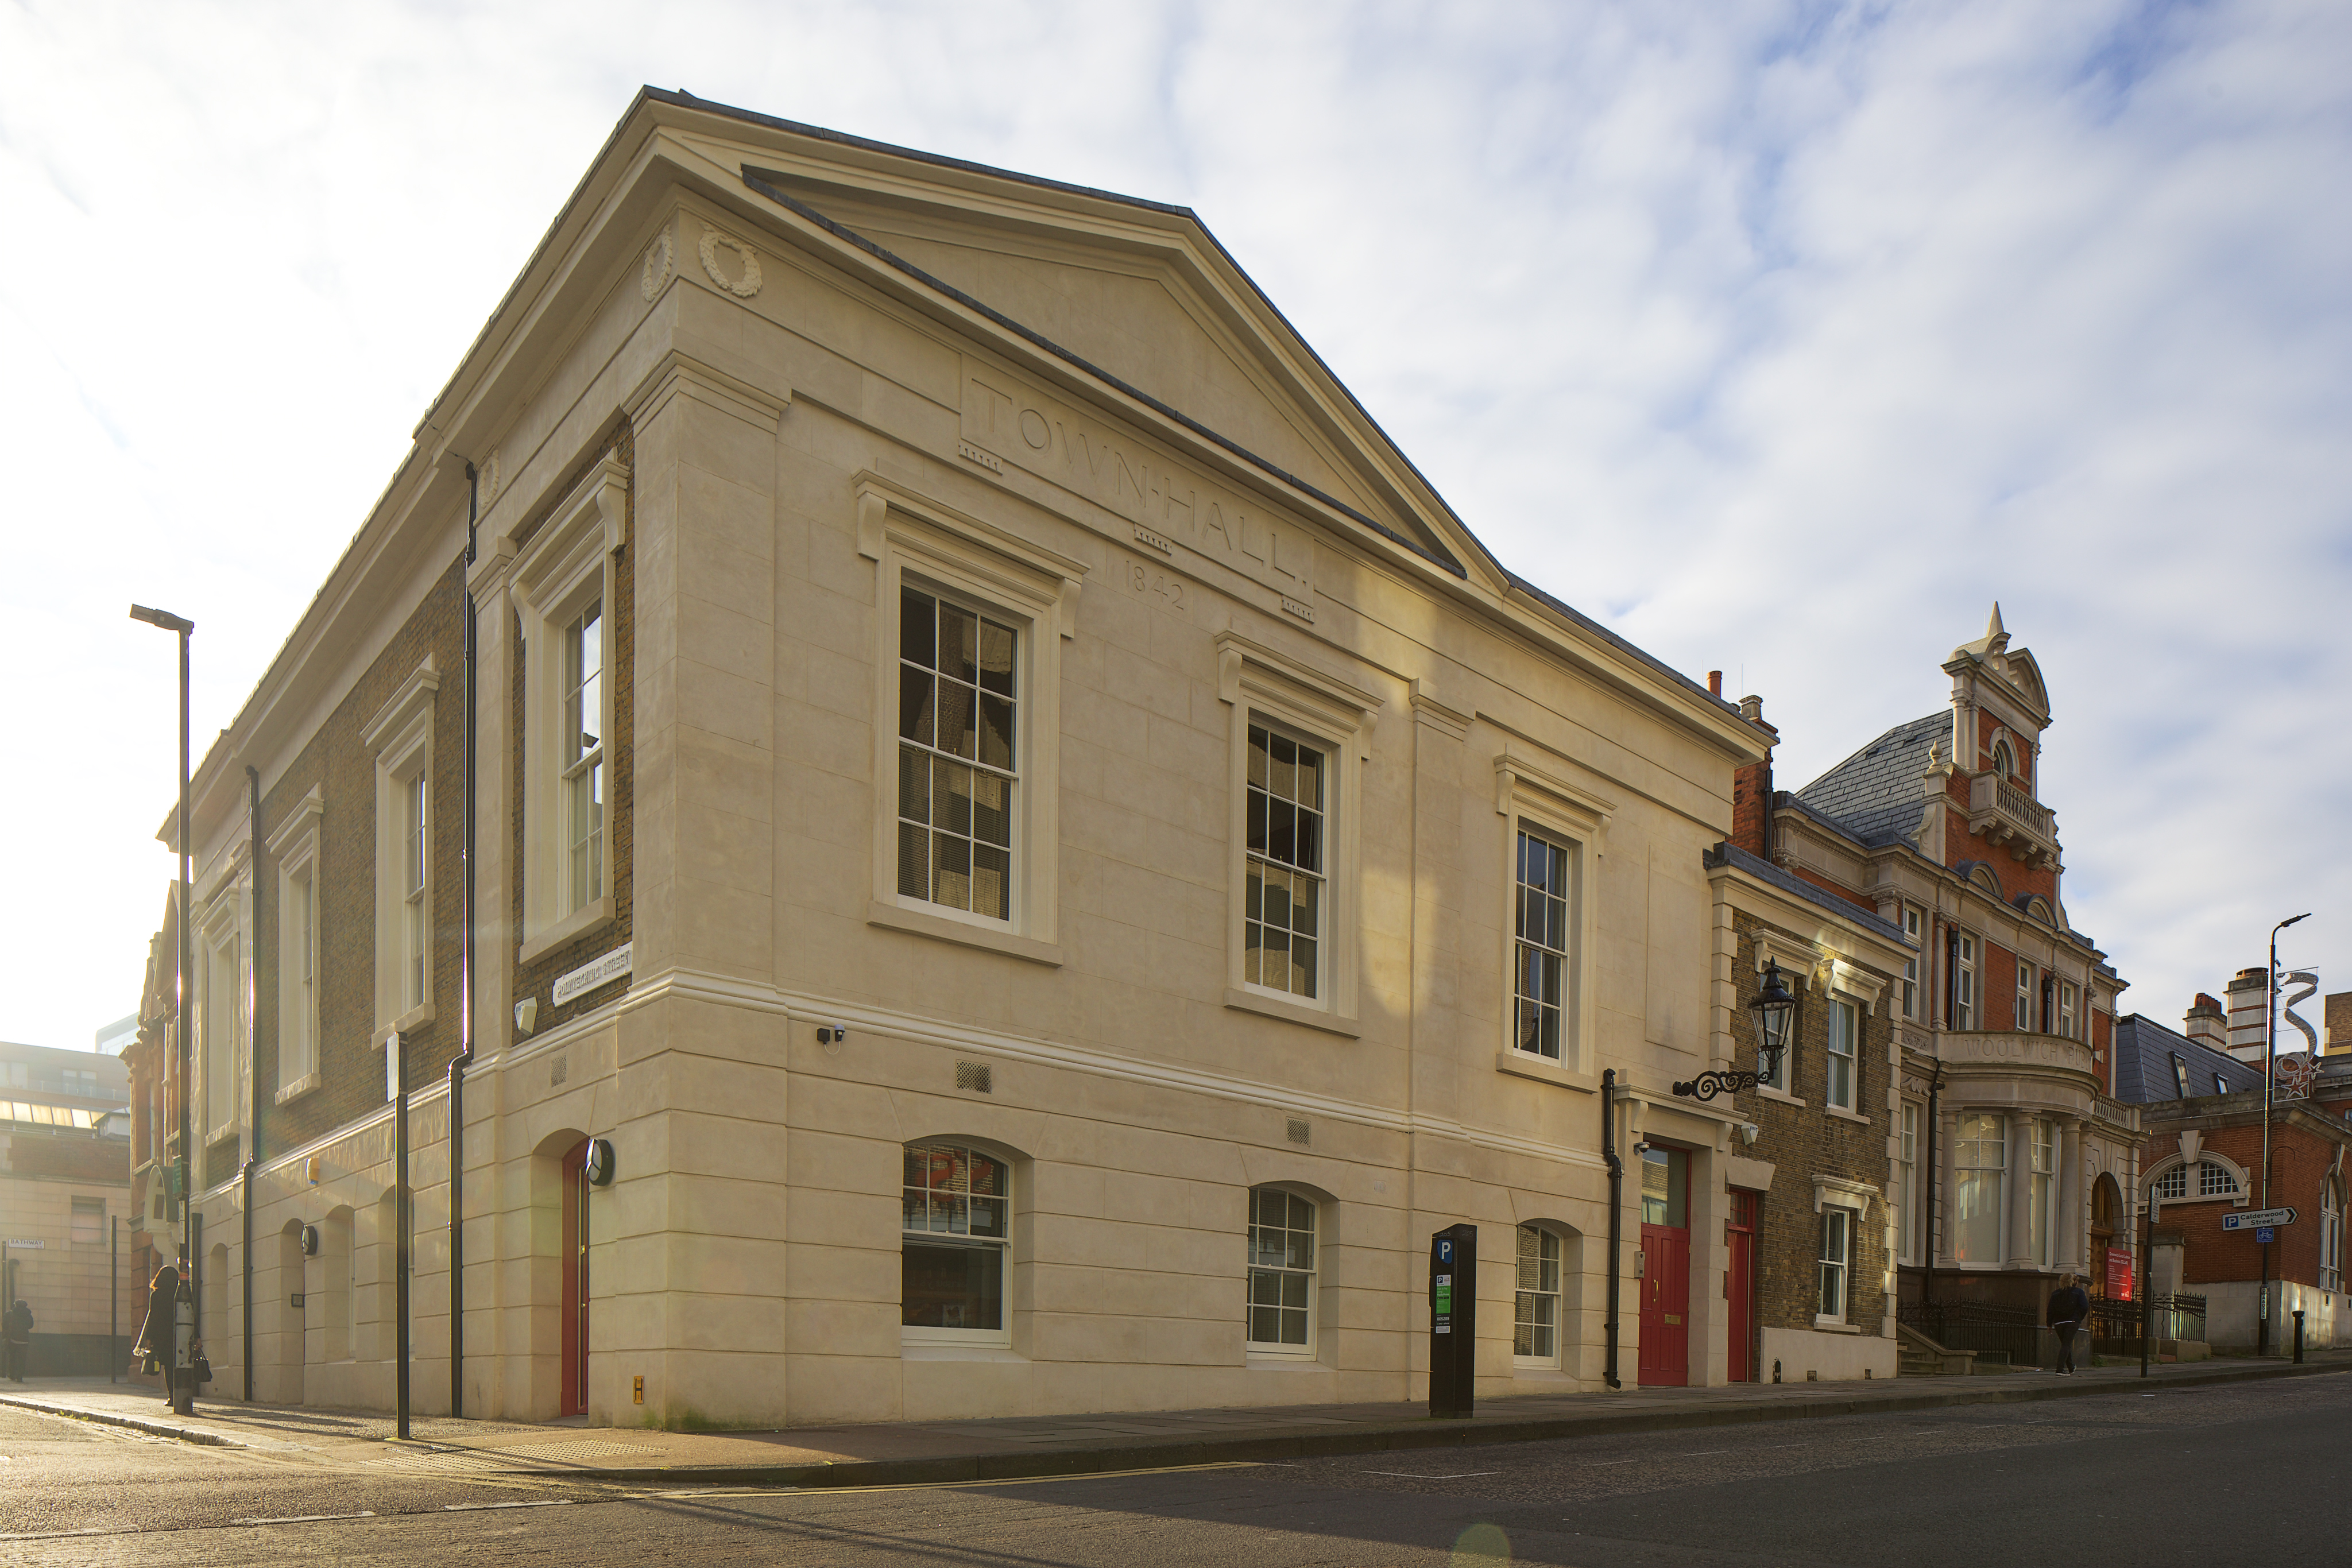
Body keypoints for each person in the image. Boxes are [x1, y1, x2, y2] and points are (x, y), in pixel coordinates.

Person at [131, 1261, 182, 1404]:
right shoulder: (179, 1294)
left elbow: (153, 1318)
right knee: (180, 1366)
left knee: (168, 1367)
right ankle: (181, 1393)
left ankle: (172, 1396)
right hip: (180, 1334)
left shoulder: (157, 1295)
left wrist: (150, 1339)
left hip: (163, 1337)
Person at [2048, 1272, 2091, 1375]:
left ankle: (2071, 1367)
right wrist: (2078, 1318)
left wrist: (2049, 1324)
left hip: (2059, 1323)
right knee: (2066, 1345)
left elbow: (2050, 1310)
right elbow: (2084, 1307)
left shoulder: (2055, 1294)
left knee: (2065, 1344)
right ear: (2074, 1282)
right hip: (2072, 1322)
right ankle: (2060, 1369)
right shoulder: (2078, 1292)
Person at [2, 1298, 30, 1382]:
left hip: (13, 1339)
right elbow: (30, 1325)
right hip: (24, 1340)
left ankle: (12, 1374)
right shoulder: (28, 1315)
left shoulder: (10, 1314)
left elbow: (4, 1325)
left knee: (12, 1357)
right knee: (22, 1359)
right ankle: (20, 1376)